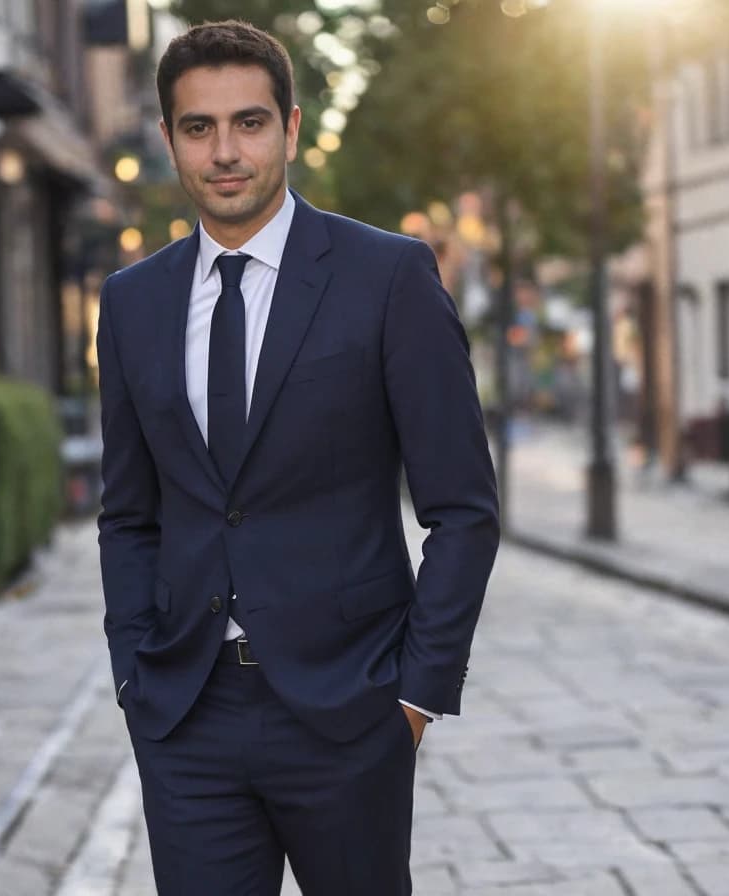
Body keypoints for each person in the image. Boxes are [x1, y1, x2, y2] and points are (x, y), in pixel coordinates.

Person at [96, 20, 499, 895]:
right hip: (187, 717)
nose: (225, 151)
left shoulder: (387, 277)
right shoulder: (132, 302)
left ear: (291, 126)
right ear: (169, 139)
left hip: (351, 714)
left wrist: (414, 700)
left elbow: (463, 508)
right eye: (198, 128)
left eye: (249, 122)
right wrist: (136, 674)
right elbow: (129, 513)